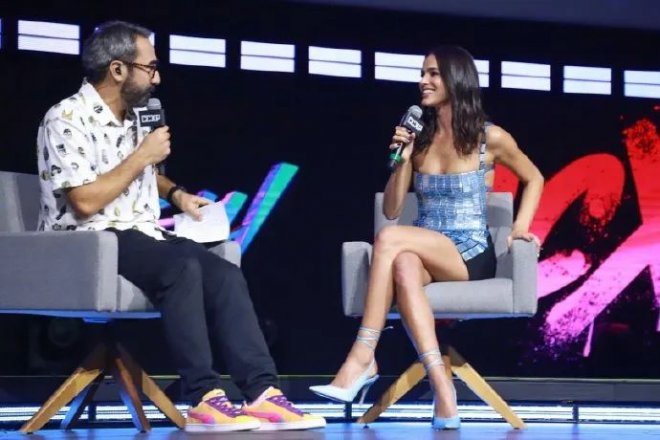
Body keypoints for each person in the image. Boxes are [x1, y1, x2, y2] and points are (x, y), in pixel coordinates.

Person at [36, 20, 325, 433]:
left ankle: (262, 392)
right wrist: (142, 155)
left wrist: (177, 195)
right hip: (88, 239)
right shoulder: (66, 118)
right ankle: (203, 397)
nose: (157, 78)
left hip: (140, 232)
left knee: (224, 274)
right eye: (150, 68)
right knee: (180, 268)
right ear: (118, 69)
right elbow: (83, 201)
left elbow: (143, 175)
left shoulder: (135, 118)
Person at [310, 45, 543, 429]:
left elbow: (534, 178)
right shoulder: (420, 139)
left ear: (456, 79)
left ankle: (362, 355)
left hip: (469, 251)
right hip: (426, 248)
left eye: (433, 74)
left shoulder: (490, 137)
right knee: (402, 261)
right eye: (423, 73)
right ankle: (443, 390)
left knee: (389, 239)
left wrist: (519, 227)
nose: (424, 81)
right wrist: (402, 160)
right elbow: (392, 208)